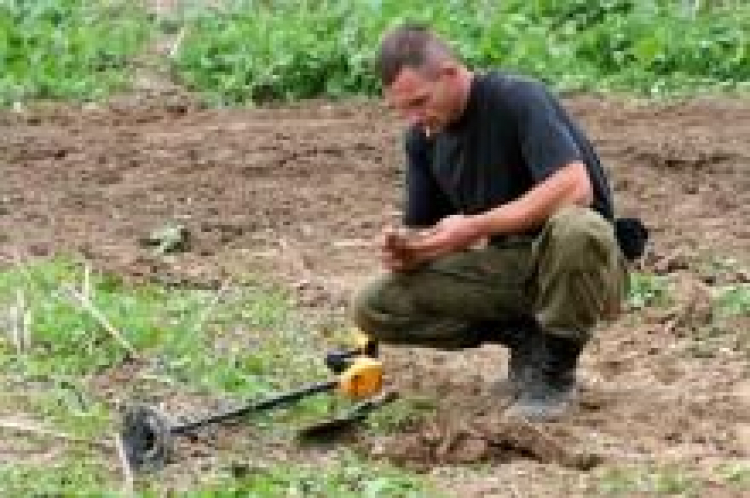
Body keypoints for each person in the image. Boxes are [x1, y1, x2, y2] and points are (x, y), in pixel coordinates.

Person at [351, 24, 646, 421]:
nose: (414, 118)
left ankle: (555, 373)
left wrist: (475, 227)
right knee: (374, 305)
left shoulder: (517, 97)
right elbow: (430, 230)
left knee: (578, 227)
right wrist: (411, 251)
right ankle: (525, 338)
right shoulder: (422, 139)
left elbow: (575, 188)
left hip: (589, 267)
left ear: (451, 74)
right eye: (401, 109)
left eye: (420, 102)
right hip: (511, 269)